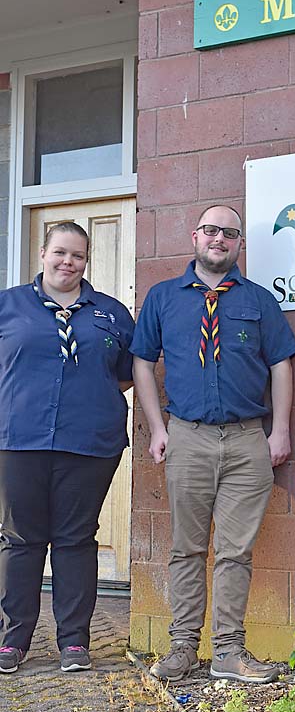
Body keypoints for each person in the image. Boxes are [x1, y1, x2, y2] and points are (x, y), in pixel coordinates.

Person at [130, 204, 295, 684]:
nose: (219, 238)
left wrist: (280, 430)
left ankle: (228, 652)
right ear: (195, 236)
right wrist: (157, 427)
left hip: (247, 441)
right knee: (186, 548)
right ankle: (183, 648)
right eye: (211, 230)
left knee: (235, 552)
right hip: (188, 437)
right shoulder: (163, 297)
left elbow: (281, 364)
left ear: (239, 243)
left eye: (229, 233)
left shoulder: (259, 300)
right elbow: (142, 362)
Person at [0, 222, 134, 674]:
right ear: (43, 253)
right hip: (19, 440)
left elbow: (125, 374)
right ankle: (13, 639)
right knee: (21, 539)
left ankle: (74, 641)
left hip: (89, 443)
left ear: (86, 260)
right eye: (60, 252)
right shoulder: (8, 306)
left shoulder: (111, 313)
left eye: (77, 255)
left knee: (76, 540)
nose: (68, 262)